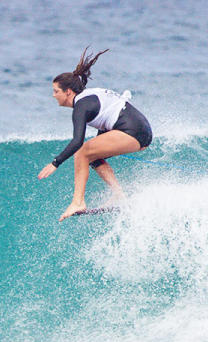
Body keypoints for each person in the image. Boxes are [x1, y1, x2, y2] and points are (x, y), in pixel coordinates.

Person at [37, 47, 153, 221]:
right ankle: (118, 194)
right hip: (140, 130)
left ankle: (77, 202)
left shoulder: (81, 106)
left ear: (68, 92)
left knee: (82, 151)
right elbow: (108, 121)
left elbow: (77, 142)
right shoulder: (90, 97)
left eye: (56, 91)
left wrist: (55, 163)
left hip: (132, 130)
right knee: (91, 155)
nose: (54, 96)